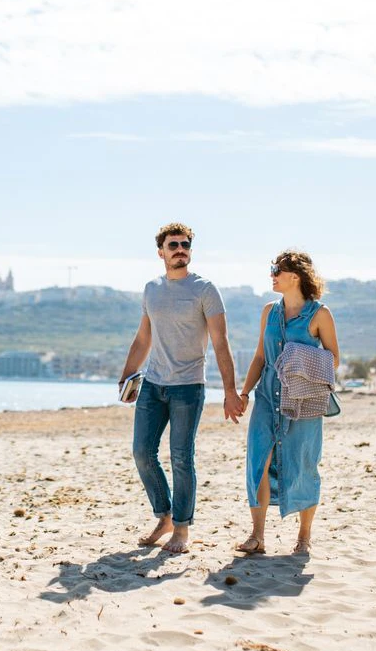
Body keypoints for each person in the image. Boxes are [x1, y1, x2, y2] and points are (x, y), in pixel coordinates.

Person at [118, 222, 242, 554]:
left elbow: (221, 343)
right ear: (161, 252)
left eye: (185, 245)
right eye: (173, 245)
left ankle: (182, 530)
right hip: (153, 384)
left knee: (182, 458)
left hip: (188, 386)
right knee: (142, 453)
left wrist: (230, 391)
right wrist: (127, 374)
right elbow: (143, 337)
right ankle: (165, 515)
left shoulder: (205, 290)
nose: (180, 250)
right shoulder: (151, 289)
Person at [235, 250, 340, 556]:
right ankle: (257, 535)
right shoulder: (269, 311)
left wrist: (298, 359)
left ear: (295, 276)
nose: (272, 275)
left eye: (276, 270)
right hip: (266, 396)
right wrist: (243, 393)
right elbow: (259, 357)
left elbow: (334, 358)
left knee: (304, 463)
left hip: (304, 399)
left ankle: (304, 537)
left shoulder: (321, 315)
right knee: (259, 460)